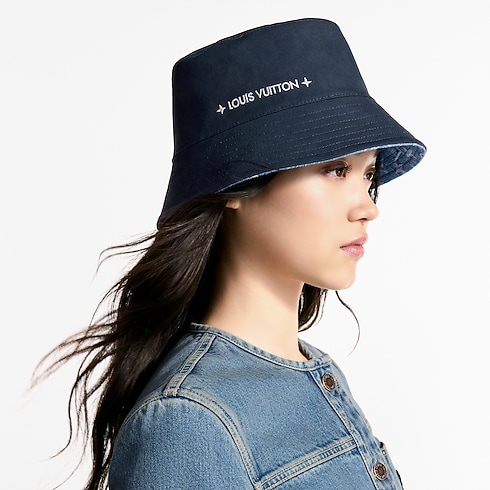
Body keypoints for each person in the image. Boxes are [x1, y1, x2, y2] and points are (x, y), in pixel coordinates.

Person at [39, 18, 426, 489]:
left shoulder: (316, 372)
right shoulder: (188, 422)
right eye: (335, 169)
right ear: (235, 185)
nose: (367, 207)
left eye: (368, 174)